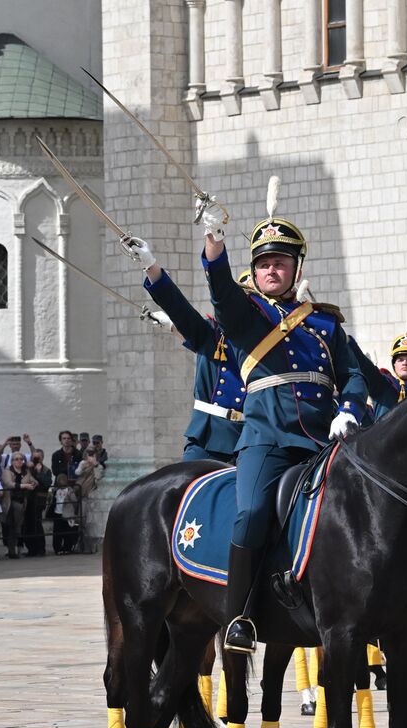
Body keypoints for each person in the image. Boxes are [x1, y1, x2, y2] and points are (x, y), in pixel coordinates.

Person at [197, 191, 368, 653]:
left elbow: (352, 375)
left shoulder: (326, 325)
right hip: (267, 441)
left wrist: (349, 410)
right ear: (255, 271)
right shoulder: (247, 316)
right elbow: (220, 290)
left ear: (296, 268)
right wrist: (214, 239)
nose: (272, 269)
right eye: (264, 263)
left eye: (281, 262)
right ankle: (240, 617)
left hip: (323, 443)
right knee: (252, 512)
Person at [124, 236, 248, 463]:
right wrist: (150, 265)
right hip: (209, 435)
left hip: (250, 440)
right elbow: (182, 312)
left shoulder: (266, 340)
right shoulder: (215, 335)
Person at [1, 452, 36, 560]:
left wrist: (33, 484)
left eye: (21, 459)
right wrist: (24, 485)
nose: (19, 461)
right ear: (12, 461)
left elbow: (34, 481)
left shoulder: (26, 471)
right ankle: (12, 551)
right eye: (16, 459)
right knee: (11, 527)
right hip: (11, 502)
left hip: (22, 502)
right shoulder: (7, 471)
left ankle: (18, 548)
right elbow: (8, 483)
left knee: (19, 527)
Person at [25, 451, 52, 556]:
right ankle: (31, 549)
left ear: (42, 458)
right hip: (28, 499)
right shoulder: (28, 468)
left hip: (39, 500)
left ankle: (40, 548)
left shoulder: (46, 470)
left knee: (37, 523)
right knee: (28, 524)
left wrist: (39, 472)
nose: (36, 460)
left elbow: (47, 483)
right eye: (34, 458)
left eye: (38, 458)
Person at [50, 472, 81, 554]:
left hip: (67, 514)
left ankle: (66, 548)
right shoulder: (56, 490)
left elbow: (75, 501)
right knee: (57, 533)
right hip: (58, 513)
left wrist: (72, 510)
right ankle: (58, 548)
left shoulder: (69, 490)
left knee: (67, 532)